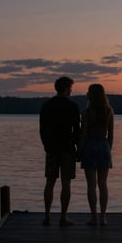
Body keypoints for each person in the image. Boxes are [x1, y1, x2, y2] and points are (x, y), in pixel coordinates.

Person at [39, 76, 80, 227]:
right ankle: (63, 216)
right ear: (66, 88)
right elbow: (77, 131)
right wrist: (77, 148)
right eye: (70, 88)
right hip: (68, 148)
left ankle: (47, 215)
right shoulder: (73, 107)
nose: (71, 90)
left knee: (50, 182)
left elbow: (42, 129)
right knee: (66, 183)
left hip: (52, 148)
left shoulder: (47, 105)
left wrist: (46, 146)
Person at [79, 83, 114, 226]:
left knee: (91, 185)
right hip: (103, 145)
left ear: (91, 95)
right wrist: (108, 149)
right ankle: (103, 217)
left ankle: (93, 217)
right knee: (103, 184)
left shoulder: (86, 113)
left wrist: (79, 151)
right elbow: (111, 134)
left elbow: (83, 134)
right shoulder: (109, 111)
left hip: (90, 146)